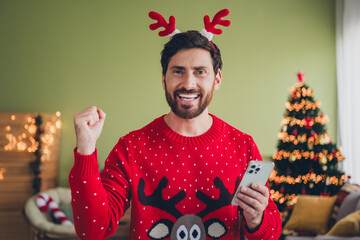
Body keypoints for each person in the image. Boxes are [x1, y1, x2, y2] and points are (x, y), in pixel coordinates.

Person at [69, 29, 282, 240]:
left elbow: (271, 234)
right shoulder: (131, 147)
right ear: (164, 80)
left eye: (200, 71)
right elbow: (92, 231)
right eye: (178, 71)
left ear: (217, 79)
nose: (188, 84)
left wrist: (256, 219)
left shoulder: (242, 146)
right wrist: (86, 150)